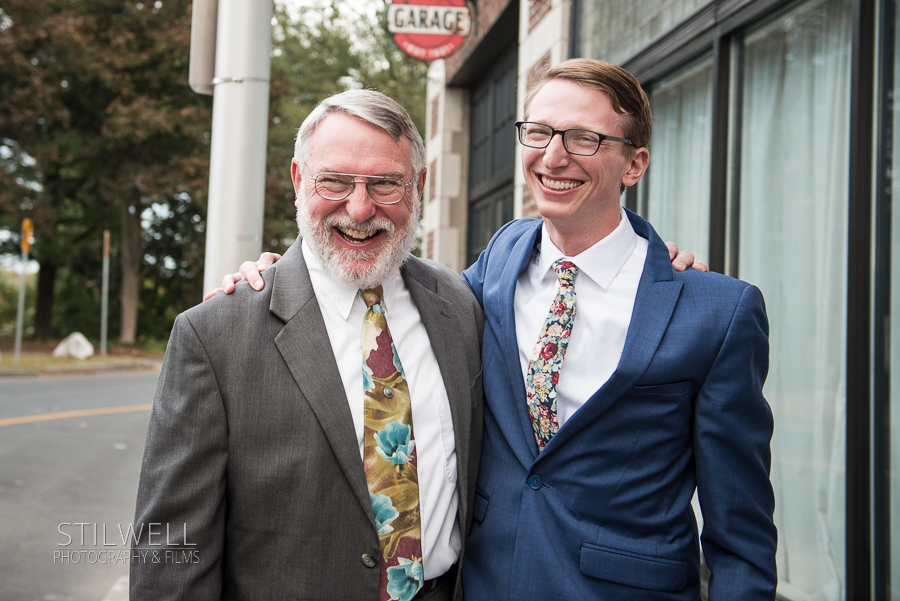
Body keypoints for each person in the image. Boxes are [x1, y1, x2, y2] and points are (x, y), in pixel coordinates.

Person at [214, 59, 775, 599]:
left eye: (584, 138)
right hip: (484, 584)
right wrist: (280, 275)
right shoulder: (494, 268)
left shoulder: (717, 313)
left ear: (634, 164)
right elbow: (373, 268)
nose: (553, 157)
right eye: (538, 132)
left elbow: (741, 535)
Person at [130, 90, 485, 601]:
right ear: (299, 180)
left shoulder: (459, 304)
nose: (360, 209)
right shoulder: (215, 336)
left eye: (386, 183)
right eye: (335, 181)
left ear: (419, 186)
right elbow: (169, 554)